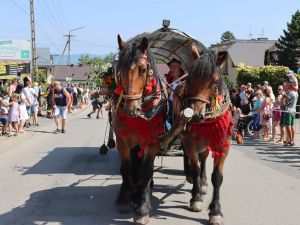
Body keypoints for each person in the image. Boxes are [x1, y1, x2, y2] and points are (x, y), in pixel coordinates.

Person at [165, 58, 185, 127]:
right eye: (171, 67)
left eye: (174, 67)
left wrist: (174, 92)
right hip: (168, 104)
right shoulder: (167, 78)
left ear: (179, 68)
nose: (172, 69)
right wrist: (167, 92)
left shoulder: (184, 79)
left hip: (180, 105)